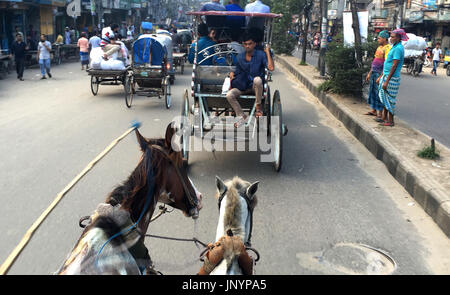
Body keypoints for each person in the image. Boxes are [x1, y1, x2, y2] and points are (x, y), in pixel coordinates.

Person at [226, 30, 274, 128]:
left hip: (255, 87)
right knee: (229, 95)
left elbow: (271, 68)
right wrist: (232, 73)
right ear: (243, 45)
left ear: (254, 44)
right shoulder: (239, 57)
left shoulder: (260, 55)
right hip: (243, 86)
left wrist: (267, 52)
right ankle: (242, 116)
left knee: (257, 79)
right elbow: (237, 72)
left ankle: (258, 106)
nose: (248, 46)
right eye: (245, 44)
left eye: (250, 44)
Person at [376, 29, 407, 127]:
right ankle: (384, 118)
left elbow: (394, 65)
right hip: (386, 76)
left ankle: (391, 121)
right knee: (385, 98)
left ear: (398, 38)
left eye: (393, 37)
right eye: (391, 36)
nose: (391, 38)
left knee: (390, 100)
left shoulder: (398, 48)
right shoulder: (395, 47)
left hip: (392, 78)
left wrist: (387, 81)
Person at [365, 30, 390, 122]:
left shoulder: (387, 48)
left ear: (384, 38)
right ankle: (374, 110)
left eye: (379, 38)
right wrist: (369, 72)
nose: (378, 40)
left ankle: (380, 113)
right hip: (374, 72)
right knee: (372, 91)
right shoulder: (379, 47)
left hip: (380, 73)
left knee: (378, 93)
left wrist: (381, 76)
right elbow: (375, 60)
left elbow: (387, 64)